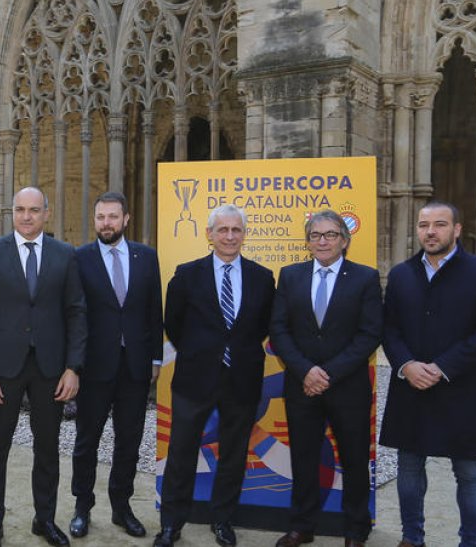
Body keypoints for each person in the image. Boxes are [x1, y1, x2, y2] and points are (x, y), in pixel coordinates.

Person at [380, 201, 476, 547]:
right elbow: (389, 328)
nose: (430, 231)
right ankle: (412, 538)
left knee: (468, 472)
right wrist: (406, 365)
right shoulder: (401, 274)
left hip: (463, 388)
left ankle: (471, 542)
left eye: (439, 224)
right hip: (411, 386)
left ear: (456, 229)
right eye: (424, 225)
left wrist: (442, 366)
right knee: (408, 467)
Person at [0, 186, 87, 547]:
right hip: (3, 369)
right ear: (12, 212)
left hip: (51, 368)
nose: (26, 216)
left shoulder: (66, 254)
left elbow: (77, 313)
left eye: (34, 210)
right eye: (20, 209)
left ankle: (45, 519)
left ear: (46, 213)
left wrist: (73, 367)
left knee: (48, 447)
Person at [154, 204, 275, 547]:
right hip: (195, 379)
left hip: (242, 379)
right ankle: (171, 524)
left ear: (244, 234)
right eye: (222, 230)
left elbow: (264, 326)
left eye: (236, 230)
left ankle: (222, 520)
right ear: (209, 234)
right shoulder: (187, 274)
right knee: (180, 453)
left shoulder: (262, 277)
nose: (230, 236)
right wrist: (201, 353)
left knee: (234, 454)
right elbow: (173, 323)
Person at [269, 210, 383, 547]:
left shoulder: (364, 278)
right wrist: (305, 370)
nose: (322, 241)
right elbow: (278, 328)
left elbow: (369, 334)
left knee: (354, 459)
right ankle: (302, 527)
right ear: (307, 241)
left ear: (344, 241)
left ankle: (355, 530)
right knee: (304, 458)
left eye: (330, 234)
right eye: (315, 235)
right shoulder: (291, 275)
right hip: (302, 385)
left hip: (348, 387)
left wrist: (328, 373)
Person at [69, 191, 162, 539]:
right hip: (94, 367)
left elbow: (155, 310)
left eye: (113, 217)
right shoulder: (80, 258)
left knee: (129, 442)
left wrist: (155, 357)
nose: (106, 223)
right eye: (100, 217)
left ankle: (122, 509)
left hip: (136, 368)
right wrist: (74, 365)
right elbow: (74, 315)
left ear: (126, 220)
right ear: (95, 221)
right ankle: (82, 508)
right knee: (86, 442)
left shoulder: (146, 257)